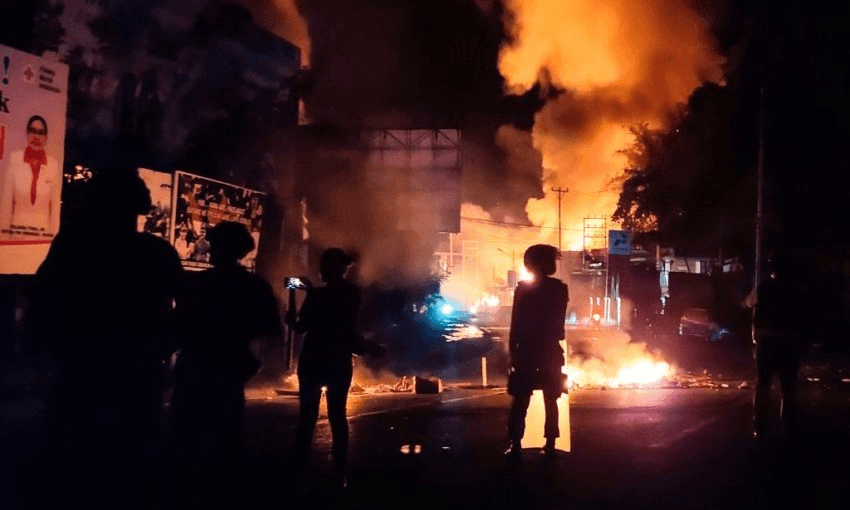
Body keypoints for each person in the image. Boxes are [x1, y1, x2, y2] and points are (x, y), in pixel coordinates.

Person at [27, 167, 184, 510]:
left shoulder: (73, 245)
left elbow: (42, 302)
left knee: (75, 469)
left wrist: (44, 354)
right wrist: (159, 347)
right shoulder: (157, 252)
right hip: (136, 375)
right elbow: (187, 312)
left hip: (82, 372)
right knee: (131, 468)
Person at [170, 221, 281, 509]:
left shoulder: (197, 285)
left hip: (193, 373)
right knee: (226, 447)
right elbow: (268, 333)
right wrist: (250, 365)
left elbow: (176, 328)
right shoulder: (255, 288)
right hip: (228, 376)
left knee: (184, 448)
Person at [289, 248, 379, 489]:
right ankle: (339, 472)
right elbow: (347, 327)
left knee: (307, 417)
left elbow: (301, 327)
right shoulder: (352, 294)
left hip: (313, 361)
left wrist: (294, 313)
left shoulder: (317, 295)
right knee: (337, 416)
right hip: (337, 360)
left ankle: (300, 470)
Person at [505, 244, 569, 462]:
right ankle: (550, 443)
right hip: (550, 350)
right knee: (551, 399)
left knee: (521, 400)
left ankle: (515, 443)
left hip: (527, 351)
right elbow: (560, 325)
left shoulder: (523, 289)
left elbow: (515, 323)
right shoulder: (559, 289)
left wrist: (513, 351)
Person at [746, 253, 800, 440]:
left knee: (763, 386)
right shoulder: (794, 290)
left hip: (768, 344)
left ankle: (760, 427)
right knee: (788, 389)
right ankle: (788, 428)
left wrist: (756, 337)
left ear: (772, 270)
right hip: (788, 345)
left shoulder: (764, 288)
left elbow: (750, 305)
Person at [0, 115, 62, 239]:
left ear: (46, 138)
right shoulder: (15, 159)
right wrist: (4, 240)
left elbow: (55, 210)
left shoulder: (53, 165)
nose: (36, 136)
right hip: (16, 237)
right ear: (27, 134)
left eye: (41, 132)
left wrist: (52, 241)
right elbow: (6, 206)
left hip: (42, 239)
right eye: (33, 131)